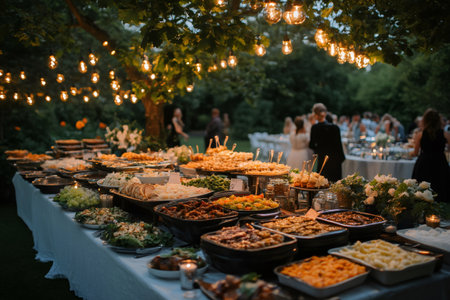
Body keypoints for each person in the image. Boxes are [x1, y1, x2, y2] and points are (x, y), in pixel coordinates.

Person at [411, 109, 450, 202]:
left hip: (424, 163)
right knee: (440, 187)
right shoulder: (445, 134)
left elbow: (415, 153)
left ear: (425, 120)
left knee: (422, 189)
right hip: (440, 163)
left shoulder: (420, 134)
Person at [309, 103, 346, 182]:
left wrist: (318, 148)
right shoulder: (335, 127)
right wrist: (341, 158)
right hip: (335, 159)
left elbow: (311, 145)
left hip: (323, 159)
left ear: (315, 115)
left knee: (322, 183)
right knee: (335, 184)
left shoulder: (315, 128)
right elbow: (339, 146)